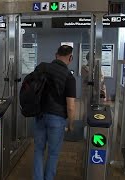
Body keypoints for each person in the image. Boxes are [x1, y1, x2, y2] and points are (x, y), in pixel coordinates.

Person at [33, 45, 76, 180]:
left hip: (40, 115)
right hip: (57, 119)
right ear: (71, 57)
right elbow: (70, 106)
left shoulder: (43, 69)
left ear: (56, 55)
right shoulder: (69, 77)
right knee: (53, 153)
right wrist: (71, 123)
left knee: (38, 150)